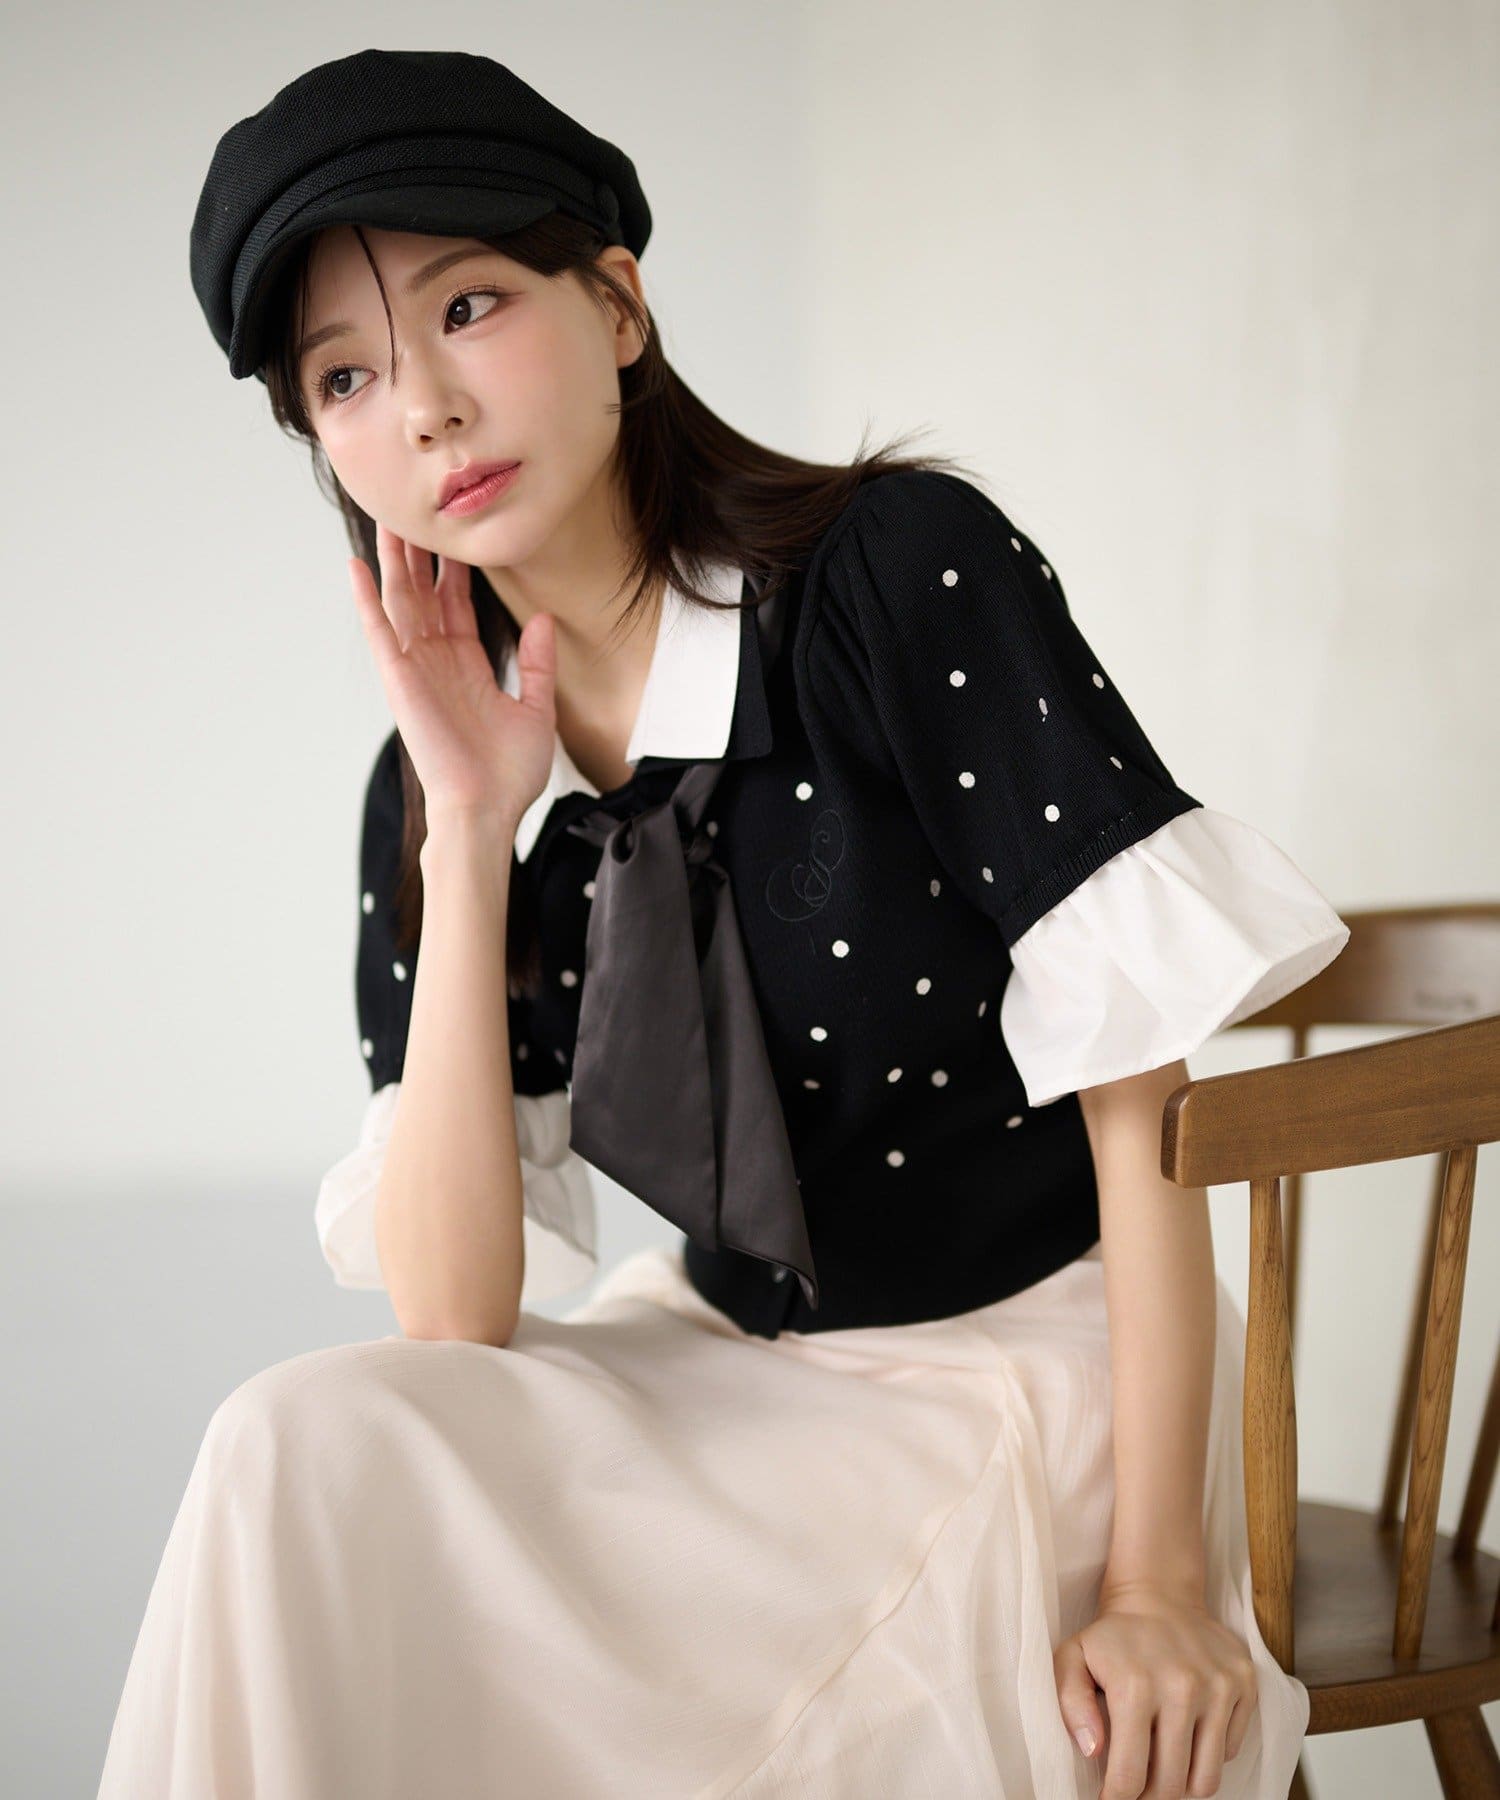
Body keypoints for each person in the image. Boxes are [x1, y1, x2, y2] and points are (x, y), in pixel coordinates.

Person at [98, 48, 1346, 1799]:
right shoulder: (438, 775)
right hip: (714, 1356)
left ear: (616, 304)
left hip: (1021, 1359)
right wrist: (474, 824)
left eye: (469, 305)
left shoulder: (891, 577)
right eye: (346, 378)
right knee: (288, 1443)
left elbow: (1144, 1096)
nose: (426, 410)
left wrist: (1159, 1586)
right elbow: (452, 1313)